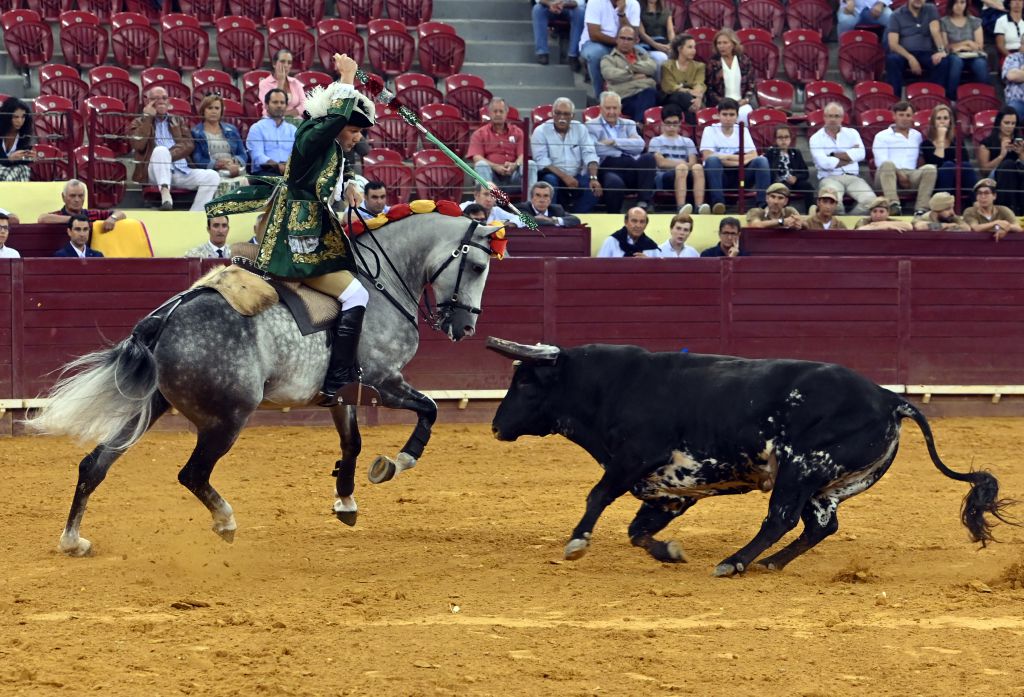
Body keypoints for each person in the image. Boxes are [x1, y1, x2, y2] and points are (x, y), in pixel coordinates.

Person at [206, 53, 375, 408]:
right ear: (335, 121)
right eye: (355, 129)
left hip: (310, 233)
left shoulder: (328, 147)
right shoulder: (314, 134)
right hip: (298, 245)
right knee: (357, 294)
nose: (357, 137)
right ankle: (337, 378)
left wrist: (347, 186)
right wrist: (347, 77)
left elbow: (328, 181)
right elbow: (332, 123)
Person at [130, 86, 221, 211]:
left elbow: (189, 145)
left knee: (212, 176)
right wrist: (147, 118)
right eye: (156, 98)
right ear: (147, 102)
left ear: (168, 102)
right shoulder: (138, 122)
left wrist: (167, 156)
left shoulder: (178, 120)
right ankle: (165, 193)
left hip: (180, 171)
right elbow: (138, 145)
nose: (161, 101)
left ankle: (195, 215)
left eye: (164, 98)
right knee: (160, 150)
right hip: (155, 172)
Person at [585, 91, 657, 213]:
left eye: (615, 108)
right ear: (601, 108)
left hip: (630, 166)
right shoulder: (591, 126)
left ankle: (643, 203)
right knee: (614, 183)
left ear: (620, 109)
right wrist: (627, 144)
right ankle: (614, 215)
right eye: (608, 108)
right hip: (608, 167)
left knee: (648, 158)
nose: (612, 112)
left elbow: (640, 146)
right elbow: (596, 149)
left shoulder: (629, 124)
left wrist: (614, 142)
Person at [531, 97, 602, 212]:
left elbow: (590, 154)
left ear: (572, 116)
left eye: (566, 114)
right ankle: (551, 217)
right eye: (558, 113)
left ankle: (575, 218)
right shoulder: (540, 131)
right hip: (553, 174)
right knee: (549, 181)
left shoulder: (580, 129)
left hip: (576, 174)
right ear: (552, 114)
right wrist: (565, 177)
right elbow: (541, 161)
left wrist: (593, 177)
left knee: (593, 189)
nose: (562, 118)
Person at [700, 98, 770, 214]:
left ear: (737, 116)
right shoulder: (709, 130)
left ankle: (763, 205)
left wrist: (724, 157)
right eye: (725, 114)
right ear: (718, 115)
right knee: (713, 161)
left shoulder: (743, 130)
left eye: (732, 114)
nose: (728, 118)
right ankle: (718, 204)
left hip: (741, 175)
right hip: (719, 175)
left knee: (762, 161)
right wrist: (740, 159)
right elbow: (707, 156)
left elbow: (753, 154)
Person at [808, 102, 876, 215]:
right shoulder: (815, 138)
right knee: (835, 204)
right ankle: (839, 228)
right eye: (830, 116)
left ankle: (850, 225)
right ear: (824, 117)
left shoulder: (852, 133)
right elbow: (824, 163)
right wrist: (850, 157)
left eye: (836, 116)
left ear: (842, 118)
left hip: (853, 177)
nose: (833, 119)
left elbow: (861, 154)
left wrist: (832, 155)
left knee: (871, 201)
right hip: (829, 178)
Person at [871, 101, 937, 216]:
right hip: (886, 176)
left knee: (930, 168)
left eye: (908, 115)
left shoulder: (917, 135)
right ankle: (893, 205)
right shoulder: (882, 136)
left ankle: (921, 209)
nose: (905, 118)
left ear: (912, 117)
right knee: (887, 164)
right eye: (901, 115)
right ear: (894, 116)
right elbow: (879, 162)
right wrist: (899, 174)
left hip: (910, 175)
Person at [885, 0, 954, 99]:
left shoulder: (931, 9)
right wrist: (910, 58)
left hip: (926, 52)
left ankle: (936, 98)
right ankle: (895, 100)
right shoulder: (896, 15)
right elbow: (893, 44)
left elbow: (935, 32)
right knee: (892, 59)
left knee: (942, 61)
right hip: (905, 54)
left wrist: (941, 51)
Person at [648, 104, 706, 213]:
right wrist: (682, 163)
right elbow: (661, 163)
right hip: (665, 177)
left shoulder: (687, 141)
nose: (671, 127)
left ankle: (699, 207)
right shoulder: (656, 141)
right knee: (682, 168)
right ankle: (681, 207)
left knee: (698, 167)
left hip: (684, 174)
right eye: (668, 123)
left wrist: (682, 165)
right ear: (662, 123)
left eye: (675, 123)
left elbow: (693, 163)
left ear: (680, 123)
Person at [579, 0, 642, 101]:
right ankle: (600, 98)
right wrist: (620, 43)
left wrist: (622, 14)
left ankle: (635, 97)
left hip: (623, 43)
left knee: (644, 54)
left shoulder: (633, 3)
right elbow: (594, 34)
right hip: (595, 43)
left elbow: (633, 35)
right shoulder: (595, 2)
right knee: (596, 54)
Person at [190, 94, 249, 198]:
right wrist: (218, 164)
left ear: (221, 111)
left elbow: (242, 153)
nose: (214, 111)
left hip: (234, 168)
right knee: (221, 182)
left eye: (217, 108)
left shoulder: (232, 130)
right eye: (210, 108)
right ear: (203, 110)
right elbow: (198, 159)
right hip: (213, 172)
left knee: (244, 180)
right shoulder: (196, 132)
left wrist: (235, 162)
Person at [921, 104, 978, 205]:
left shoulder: (957, 141)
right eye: (939, 118)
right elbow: (936, 163)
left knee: (966, 166)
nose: (942, 121)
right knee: (948, 166)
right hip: (938, 181)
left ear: (950, 121)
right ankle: (942, 205)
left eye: (945, 118)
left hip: (958, 178)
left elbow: (965, 160)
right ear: (933, 121)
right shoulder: (927, 144)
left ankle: (976, 203)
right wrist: (941, 139)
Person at [467, 97, 528, 192]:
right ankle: (486, 202)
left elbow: (522, 155)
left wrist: (515, 165)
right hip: (492, 176)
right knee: (481, 165)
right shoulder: (479, 133)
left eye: (501, 111)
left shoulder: (518, 132)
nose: (498, 114)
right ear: (489, 113)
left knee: (530, 164)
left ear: (506, 113)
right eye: (495, 111)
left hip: (514, 175)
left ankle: (531, 203)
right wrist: (496, 166)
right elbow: (477, 158)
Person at [600, 25, 659, 122]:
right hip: (625, 99)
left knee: (671, 101)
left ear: (635, 41)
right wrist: (636, 75)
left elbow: (652, 68)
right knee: (649, 94)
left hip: (646, 94)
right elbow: (610, 75)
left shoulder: (642, 55)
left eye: (629, 39)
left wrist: (630, 68)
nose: (625, 42)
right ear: (617, 39)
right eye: (622, 38)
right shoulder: (608, 59)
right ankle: (639, 128)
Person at [977, 106, 1024, 212]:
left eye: (1013, 123)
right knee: (1008, 164)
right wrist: (1001, 155)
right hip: (995, 178)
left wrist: (1021, 153)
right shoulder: (987, 143)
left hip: (1018, 175)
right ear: (999, 123)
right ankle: (1007, 209)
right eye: (1006, 123)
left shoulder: (1020, 142)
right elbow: (984, 171)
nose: (1010, 127)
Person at [704, 29, 755, 125]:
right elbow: (709, 88)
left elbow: (751, 85)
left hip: (741, 104)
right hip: (720, 105)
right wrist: (722, 102)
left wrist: (746, 100)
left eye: (725, 43)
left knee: (746, 113)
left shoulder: (744, 61)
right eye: (719, 43)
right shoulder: (713, 63)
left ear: (733, 44)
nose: (721, 46)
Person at [37, 179, 127, 230]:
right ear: (63, 197)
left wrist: (113, 218)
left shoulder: (92, 214)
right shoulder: (57, 215)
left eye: (80, 196)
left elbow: (120, 213)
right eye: (72, 196)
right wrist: (75, 219)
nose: (77, 200)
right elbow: (42, 218)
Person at [247, 89, 298, 176]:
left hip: (290, 171)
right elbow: (257, 156)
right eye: (275, 102)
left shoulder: (292, 130)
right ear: (266, 105)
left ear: (286, 106)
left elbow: (297, 154)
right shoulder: (257, 128)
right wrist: (277, 166)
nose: (279, 105)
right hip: (265, 172)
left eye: (282, 103)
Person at [941, 0, 990, 89]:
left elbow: (979, 46)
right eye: (956, 3)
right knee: (956, 62)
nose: (959, 6)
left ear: (966, 4)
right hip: (954, 55)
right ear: (951, 4)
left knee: (980, 64)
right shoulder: (944, 22)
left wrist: (958, 46)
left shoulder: (974, 21)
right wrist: (967, 43)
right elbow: (946, 47)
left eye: (962, 2)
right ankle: (951, 97)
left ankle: (985, 95)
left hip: (973, 55)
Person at [764, 124, 812, 211]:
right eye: (780, 137)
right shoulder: (770, 153)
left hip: (794, 181)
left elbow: (805, 173)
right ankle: (783, 214)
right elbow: (769, 172)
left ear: (790, 139)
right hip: (779, 182)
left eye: (786, 137)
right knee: (783, 189)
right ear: (775, 140)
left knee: (808, 186)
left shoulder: (796, 153)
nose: (783, 140)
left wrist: (796, 177)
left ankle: (811, 212)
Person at [659, 33, 705, 123]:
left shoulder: (699, 66)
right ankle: (696, 130)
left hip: (691, 99)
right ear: (680, 49)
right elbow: (669, 86)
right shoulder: (667, 65)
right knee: (681, 96)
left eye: (694, 47)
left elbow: (699, 83)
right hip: (670, 98)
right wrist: (688, 91)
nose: (693, 50)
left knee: (684, 109)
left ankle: (691, 131)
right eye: (690, 47)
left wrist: (698, 98)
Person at [532, 0, 585, 69]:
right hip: (549, 7)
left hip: (569, 8)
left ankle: (573, 55)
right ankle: (542, 53)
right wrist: (550, 4)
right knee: (537, 9)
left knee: (580, 12)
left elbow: (580, 2)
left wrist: (563, 4)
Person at [258, 49, 307, 118]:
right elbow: (271, 109)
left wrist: (287, 114)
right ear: (274, 64)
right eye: (282, 61)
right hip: (272, 119)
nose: (286, 65)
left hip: (295, 119)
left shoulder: (295, 82)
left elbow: (304, 105)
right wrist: (281, 82)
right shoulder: (264, 83)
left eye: (289, 62)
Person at [0, 97, 35, 182]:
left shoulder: (24, 134)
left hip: (13, 170)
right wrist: (9, 159)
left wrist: (28, 157)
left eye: (23, 117)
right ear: (7, 117)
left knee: (23, 169)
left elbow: (21, 163)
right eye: (15, 117)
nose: (20, 121)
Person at [517, 181, 582, 226]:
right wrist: (550, 221)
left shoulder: (557, 209)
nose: (542, 200)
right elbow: (528, 221)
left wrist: (553, 220)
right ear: (531, 198)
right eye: (538, 195)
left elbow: (575, 220)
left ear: (550, 199)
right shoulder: (523, 207)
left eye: (545, 196)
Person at [638, 0, 674, 71]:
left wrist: (671, 45)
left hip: (664, 43)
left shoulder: (666, 12)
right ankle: (659, 82)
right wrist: (656, 45)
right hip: (647, 45)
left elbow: (670, 31)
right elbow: (642, 34)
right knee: (661, 57)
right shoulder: (639, 11)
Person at [1003, 46, 1024, 123]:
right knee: (1011, 112)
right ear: (1021, 45)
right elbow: (1012, 76)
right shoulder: (1013, 58)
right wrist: (1017, 74)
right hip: (1019, 101)